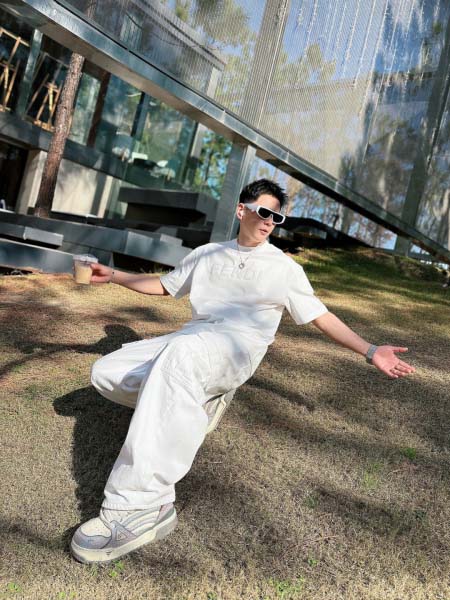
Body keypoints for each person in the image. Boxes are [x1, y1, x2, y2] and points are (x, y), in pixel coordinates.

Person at [70, 179, 415, 564]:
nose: (269, 221)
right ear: (241, 210)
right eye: (264, 212)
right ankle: (196, 400)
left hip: (237, 347)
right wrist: (113, 275)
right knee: (106, 372)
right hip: (194, 337)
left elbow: (321, 315)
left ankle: (141, 505)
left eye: (277, 217)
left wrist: (371, 351)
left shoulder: (283, 269)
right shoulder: (207, 254)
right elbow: (165, 286)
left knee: (178, 359)